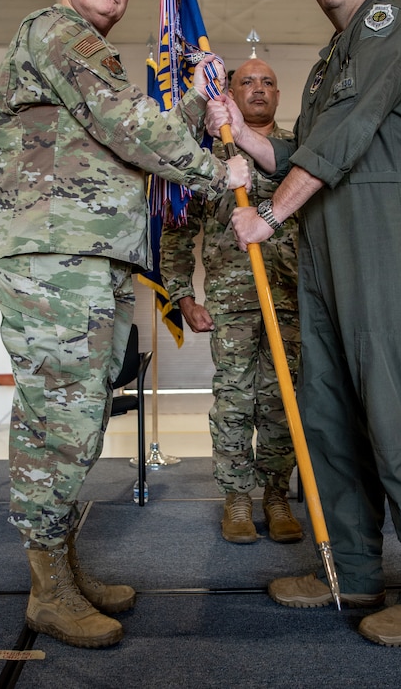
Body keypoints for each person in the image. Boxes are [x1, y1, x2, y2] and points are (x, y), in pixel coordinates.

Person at [207, 0, 401, 647]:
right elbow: (304, 143)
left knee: (399, 409)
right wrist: (248, 133)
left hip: (382, 229)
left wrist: (268, 214)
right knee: (329, 413)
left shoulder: (394, 23)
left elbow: (350, 131)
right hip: (326, 238)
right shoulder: (333, 55)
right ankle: (352, 567)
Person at [0, 0, 250, 650]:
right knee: (58, 422)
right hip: (51, 258)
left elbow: (126, 140)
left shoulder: (85, 55)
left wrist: (196, 106)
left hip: (83, 260)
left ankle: (62, 569)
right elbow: (126, 124)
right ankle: (48, 591)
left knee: (82, 416)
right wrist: (215, 171)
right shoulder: (57, 30)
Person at [160, 59, 302, 545]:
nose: (258, 89)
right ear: (230, 94)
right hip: (232, 299)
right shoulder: (209, 155)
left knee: (284, 400)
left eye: (268, 82)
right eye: (247, 82)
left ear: (279, 95)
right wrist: (181, 294)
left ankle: (277, 495)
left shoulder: (298, 153)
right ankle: (237, 498)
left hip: (290, 298)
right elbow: (178, 230)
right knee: (235, 401)